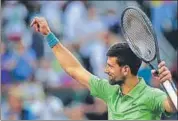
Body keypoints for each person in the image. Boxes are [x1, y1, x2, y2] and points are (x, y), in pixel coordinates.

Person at [30, 17, 177, 120]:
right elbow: (74, 69)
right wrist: (48, 35)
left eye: (110, 66)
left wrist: (168, 84)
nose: (106, 70)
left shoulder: (151, 95)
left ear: (125, 70)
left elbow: (174, 106)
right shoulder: (109, 90)